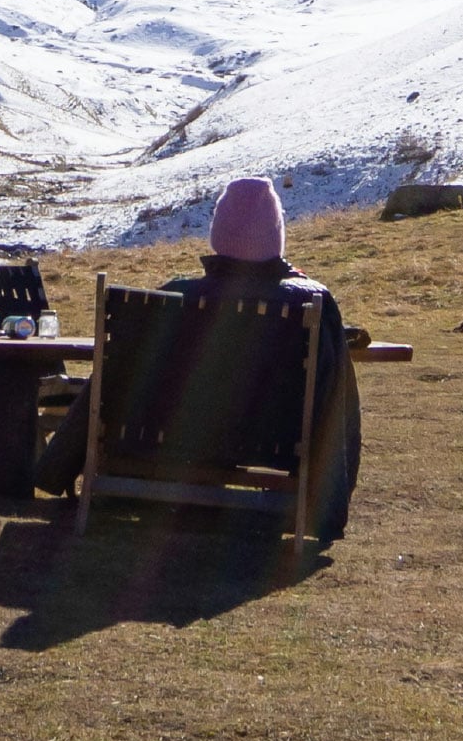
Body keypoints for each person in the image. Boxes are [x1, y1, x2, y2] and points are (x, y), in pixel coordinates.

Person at [34, 177, 363, 541]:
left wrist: (58, 465)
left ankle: (62, 472)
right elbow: (336, 406)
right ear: (276, 236)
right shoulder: (311, 302)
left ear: (218, 233)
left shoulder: (170, 298)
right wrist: (332, 505)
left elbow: (113, 380)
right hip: (270, 440)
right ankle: (317, 510)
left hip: (172, 436)